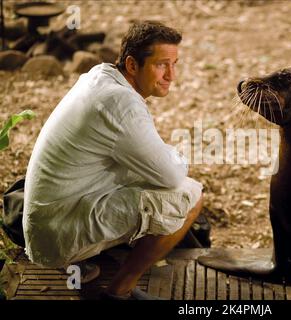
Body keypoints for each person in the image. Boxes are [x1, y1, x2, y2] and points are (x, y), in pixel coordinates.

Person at [23, 21, 203, 300]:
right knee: (189, 194)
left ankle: (89, 260)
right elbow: (171, 176)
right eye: (162, 65)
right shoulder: (121, 104)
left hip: (47, 220)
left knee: (147, 175)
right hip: (56, 236)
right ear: (132, 65)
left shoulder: (100, 75)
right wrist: (177, 154)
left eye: (175, 64)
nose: (172, 75)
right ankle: (120, 291)